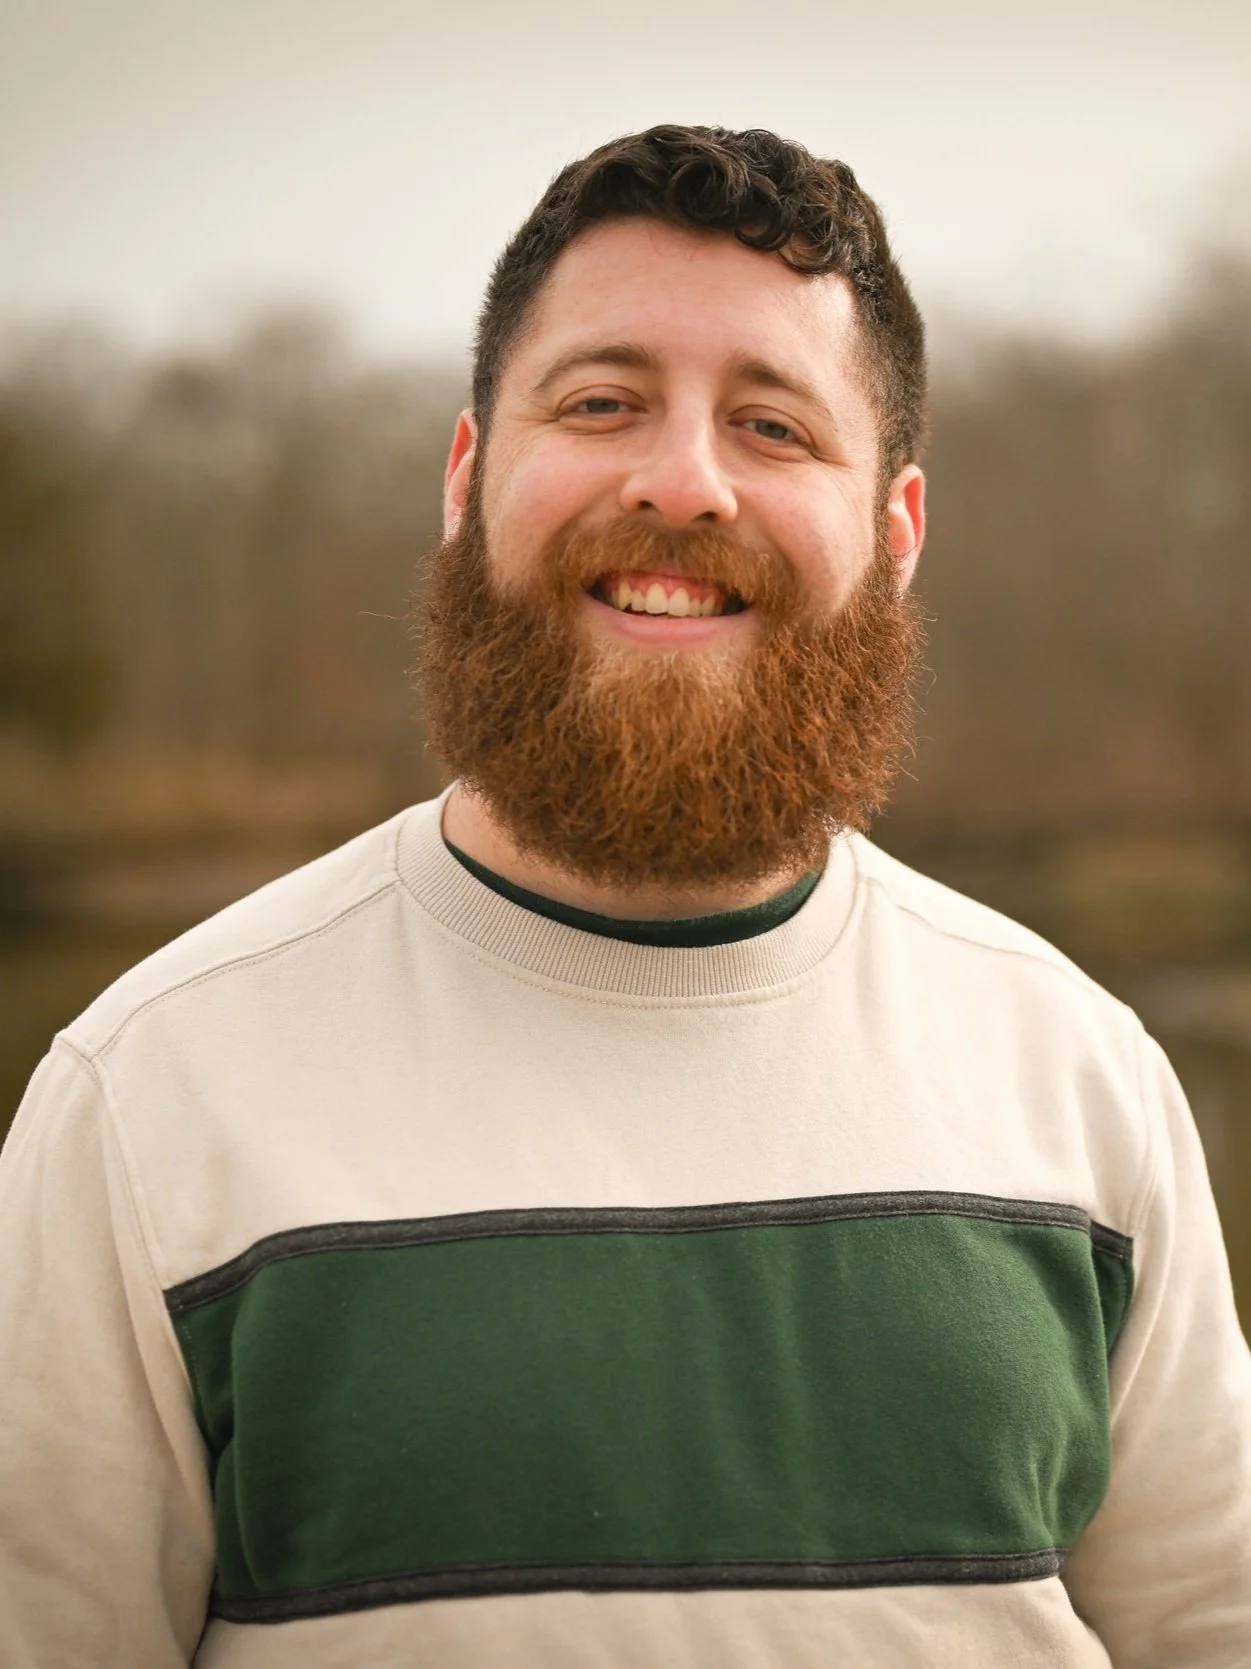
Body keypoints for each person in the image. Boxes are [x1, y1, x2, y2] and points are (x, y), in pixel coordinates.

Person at [1, 124, 1248, 1669]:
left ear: (895, 534)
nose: (682, 483)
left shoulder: (1084, 1080)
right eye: (601, 404)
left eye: (775, 428)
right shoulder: (150, 1095)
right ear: (468, 481)